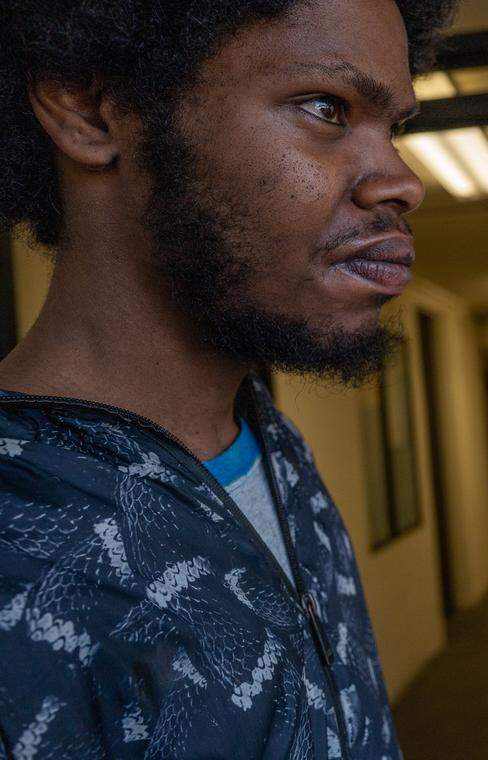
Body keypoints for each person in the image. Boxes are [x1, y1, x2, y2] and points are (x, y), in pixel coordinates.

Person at [0, 0, 453, 756]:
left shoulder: (274, 448)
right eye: (326, 108)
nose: (402, 184)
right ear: (89, 108)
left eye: (395, 128)